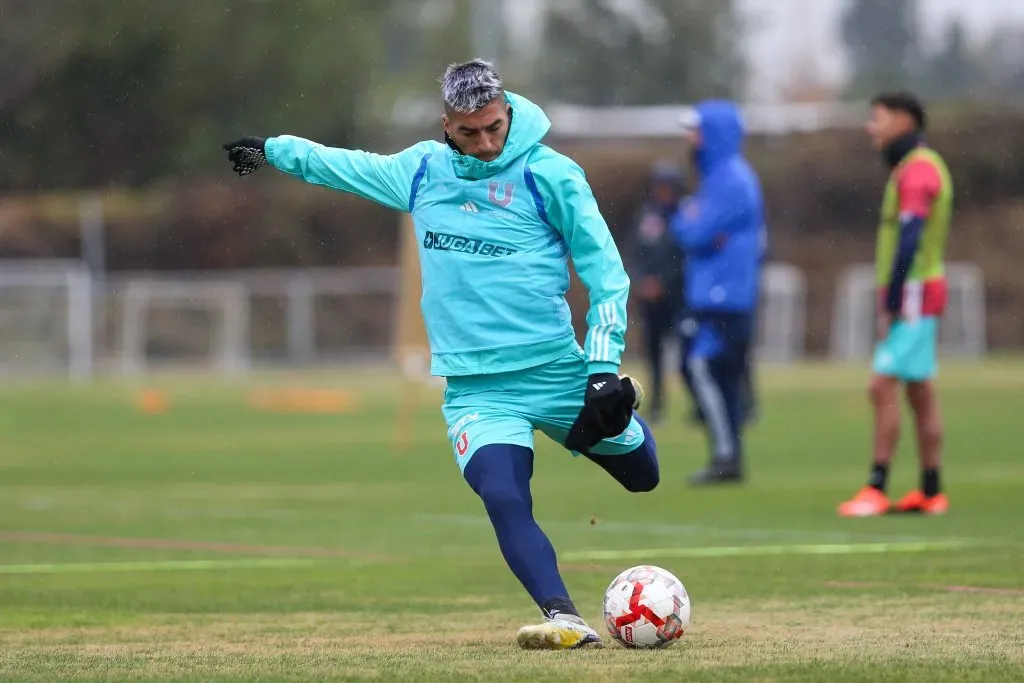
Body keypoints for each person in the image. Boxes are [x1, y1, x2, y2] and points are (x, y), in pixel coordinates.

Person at [222, 59, 658, 649]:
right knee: (503, 494)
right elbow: (341, 166)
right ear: (445, 124)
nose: (484, 144)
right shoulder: (421, 172)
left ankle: (625, 409)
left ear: (508, 113)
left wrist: (604, 371)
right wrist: (273, 150)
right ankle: (564, 617)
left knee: (643, 476)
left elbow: (607, 274)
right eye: (468, 132)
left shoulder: (551, 174)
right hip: (477, 388)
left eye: (494, 128)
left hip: (557, 371)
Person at [838, 91, 952, 517]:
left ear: (905, 120)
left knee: (881, 384)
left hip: (916, 294)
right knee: (920, 391)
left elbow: (910, 234)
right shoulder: (914, 167)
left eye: (879, 118)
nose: (872, 127)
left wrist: (893, 294)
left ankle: (876, 487)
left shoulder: (919, 170)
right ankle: (931, 489)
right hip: (921, 291)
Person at [670, 101, 764, 485]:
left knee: (702, 365)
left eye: (698, 131)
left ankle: (728, 455)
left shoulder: (729, 180)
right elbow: (699, 233)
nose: (692, 139)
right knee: (715, 373)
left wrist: (686, 216)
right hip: (717, 294)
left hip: (726, 296)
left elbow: (692, 232)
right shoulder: (722, 178)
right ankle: (728, 454)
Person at [630, 162, 688, 424]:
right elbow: (635, 251)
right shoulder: (647, 217)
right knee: (654, 355)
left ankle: (699, 406)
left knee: (689, 353)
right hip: (650, 300)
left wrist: (663, 282)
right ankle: (657, 406)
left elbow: (683, 258)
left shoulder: (686, 216)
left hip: (677, 299)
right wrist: (642, 281)